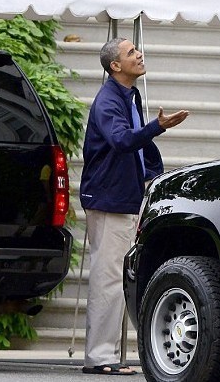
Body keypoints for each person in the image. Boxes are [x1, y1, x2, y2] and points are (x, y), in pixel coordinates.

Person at [79, 38, 189, 375]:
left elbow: (136, 147)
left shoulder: (131, 95)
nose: (139, 54)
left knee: (115, 277)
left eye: (137, 50)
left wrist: (153, 171)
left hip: (123, 197)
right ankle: (99, 357)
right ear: (115, 66)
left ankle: (106, 353)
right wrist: (159, 126)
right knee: (108, 279)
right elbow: (123, 140)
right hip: (108, 200)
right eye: (131, 53)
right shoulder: (108, 100)